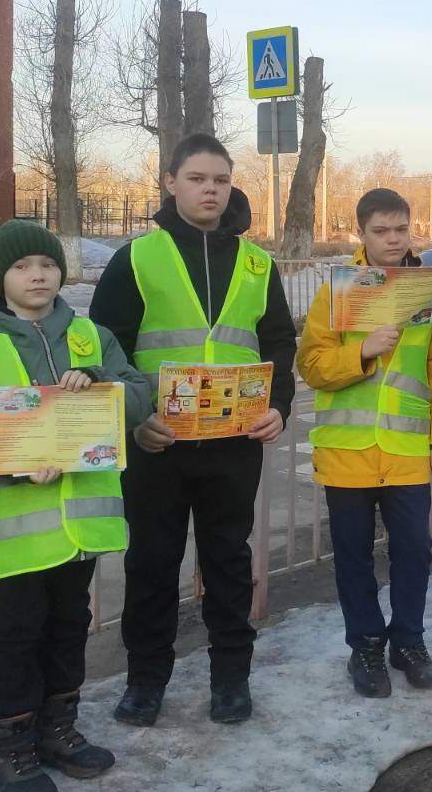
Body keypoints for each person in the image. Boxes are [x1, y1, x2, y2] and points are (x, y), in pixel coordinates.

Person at [0, 220, 152, 792]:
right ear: (1, 276)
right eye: (23, 267)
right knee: (19, 633)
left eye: (47, 265)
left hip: (80, 525)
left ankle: (56, 728)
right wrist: (11, 463)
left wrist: (102, 386)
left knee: (69, 623)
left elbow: (138, 390)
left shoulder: (88, 336)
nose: (39, 275)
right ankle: (8, 747)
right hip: (17, 531)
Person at [90, 133, 297, 728]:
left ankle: (231, 678)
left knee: (228, 562)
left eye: (221, 180)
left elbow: (278, 341)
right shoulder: (138, 256)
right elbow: (104, 347)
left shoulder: (258, 263)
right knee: (152, 563)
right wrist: (135, 421)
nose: (211, 189)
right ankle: (145, 681)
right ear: (171, 183)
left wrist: (279, 404)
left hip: (235, 444)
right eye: (198, 178)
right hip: (159, 443)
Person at [298, 188, 432, 697]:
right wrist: (362, 351)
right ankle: (365, 645)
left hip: (407, 450)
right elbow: (312, 366)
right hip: (348, 452)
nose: (392, 239)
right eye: (381, 231)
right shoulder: (336, 293)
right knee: (353, 556)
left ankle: (408, 641)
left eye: (401, 229)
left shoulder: (426, 290)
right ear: (360, 234)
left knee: (414, 551)